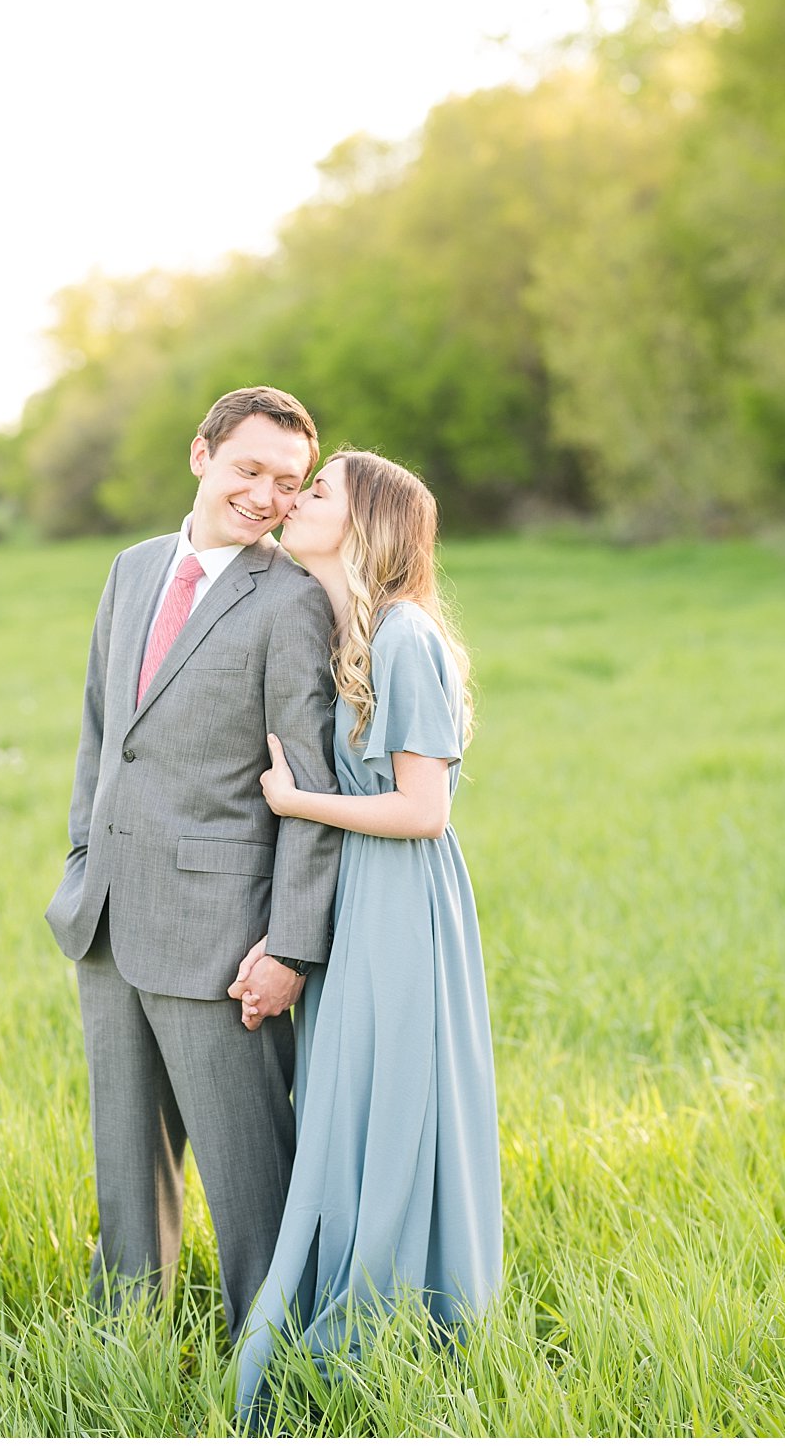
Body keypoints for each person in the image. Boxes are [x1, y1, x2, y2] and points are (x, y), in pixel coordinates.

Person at [43, 385, 343, 1336]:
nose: (265, 495)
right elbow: (102, 733)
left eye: (289, 483)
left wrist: (290, 948)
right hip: (105, 915)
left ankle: (279, 1357)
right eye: (250, 469)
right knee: (126, 1166)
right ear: (201, 455)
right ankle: (124, 1341)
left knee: (249, 1168)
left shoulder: (291, 602)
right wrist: (83, 857)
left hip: (224, 940)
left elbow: (312, 788)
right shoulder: (132, 571)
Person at [232, 449, 501, 1427]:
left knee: (390, 1103)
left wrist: (292, 798)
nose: (291, 503)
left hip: (401, 901)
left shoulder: (403, 639)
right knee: (351, 1101)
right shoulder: (354, 634)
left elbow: (422, 810)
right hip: (361, 899)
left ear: (364, 524)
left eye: (315, 493)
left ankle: (398, 1320)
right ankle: (363, 1294)